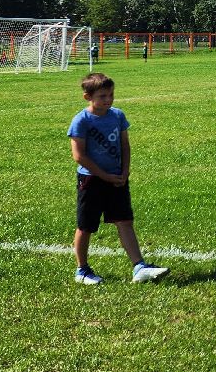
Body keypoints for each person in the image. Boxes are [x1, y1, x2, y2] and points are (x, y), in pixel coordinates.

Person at [68, 72, 169, 285]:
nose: (108, 100)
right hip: (91, 181)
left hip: (117, 179)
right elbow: (79, 155)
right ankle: (82, 270)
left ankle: (139, 266)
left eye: (111, 95)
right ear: (88, 97)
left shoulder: (118, 116)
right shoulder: (81, 120)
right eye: (103, 96)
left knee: (125, 221)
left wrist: (125, 172)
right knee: (86, 226)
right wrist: (104, 175)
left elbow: (125, 145)